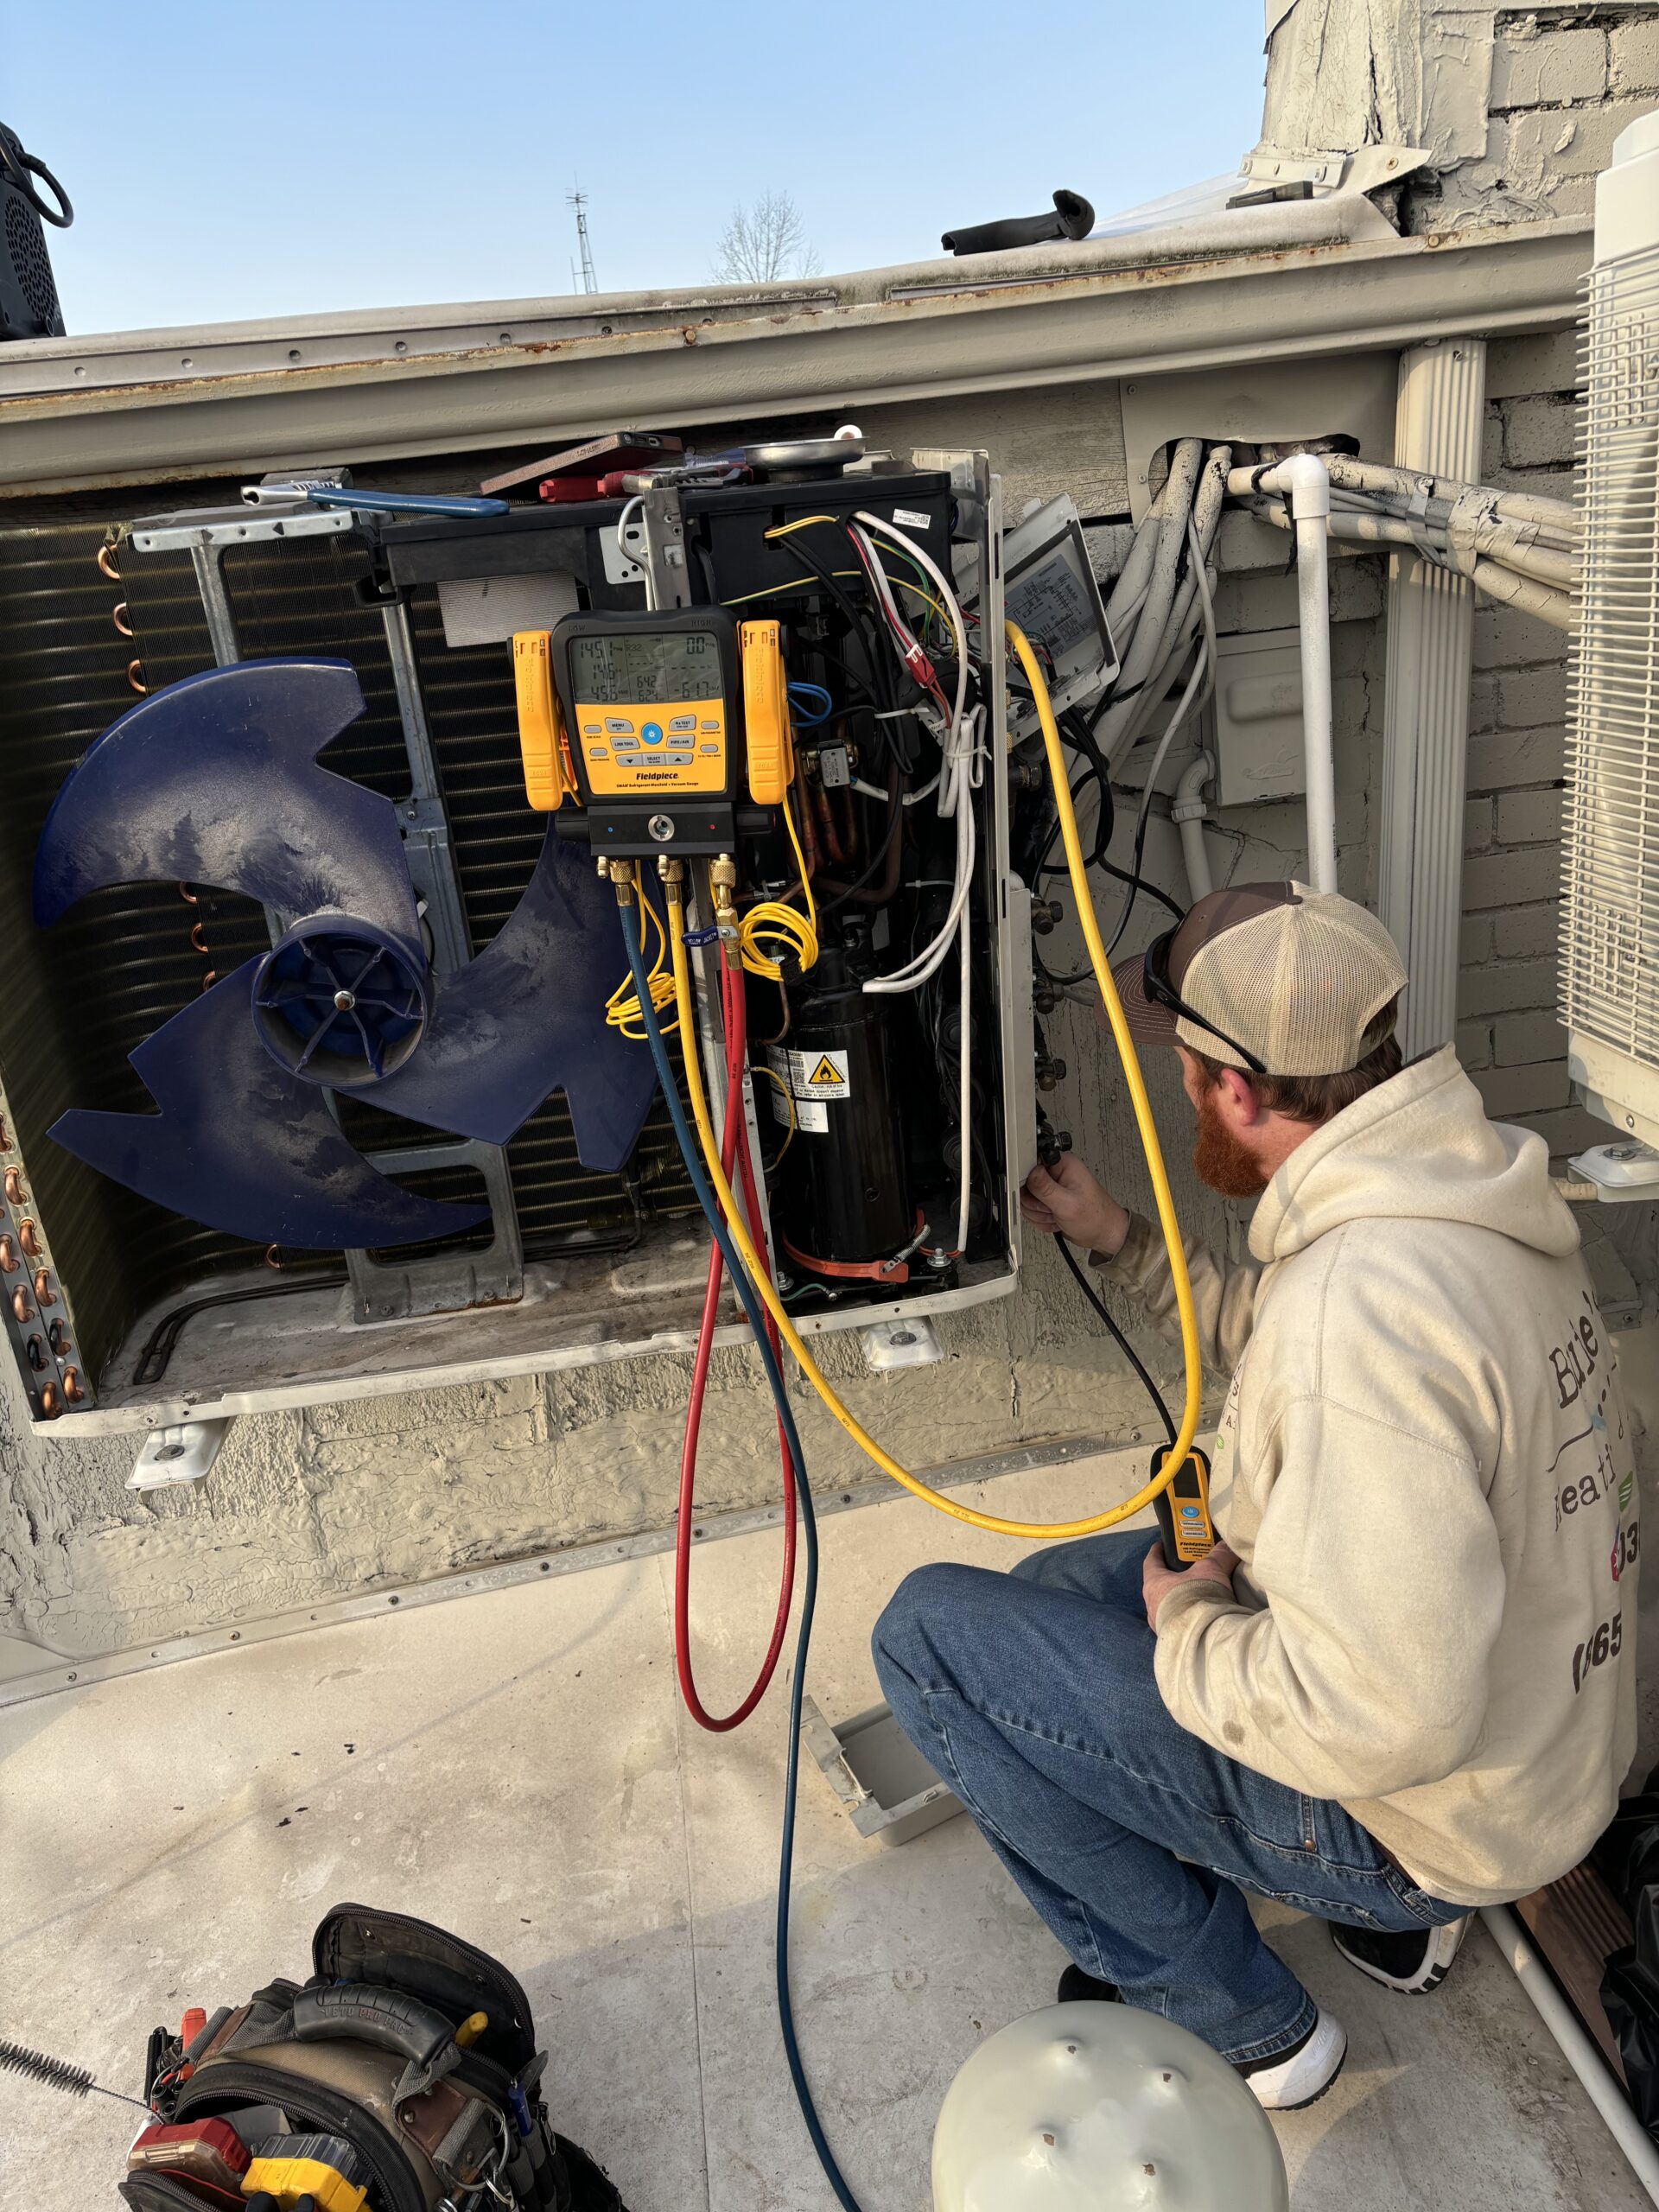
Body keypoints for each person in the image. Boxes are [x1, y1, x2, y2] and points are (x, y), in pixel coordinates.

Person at [874, 881, 1638, 2111]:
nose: (1187, 1102)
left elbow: (1388, 1717)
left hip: (1420, 1818)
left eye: (1184, 1077)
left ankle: (1251, 2023)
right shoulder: (1458, 1195)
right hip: (1532, 1746)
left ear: (1233, 1088)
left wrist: (1189, 1624)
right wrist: (1121, 1237)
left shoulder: (1360, 1323)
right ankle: (1373, 1932)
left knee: (927, 1641)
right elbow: (1296, 1342)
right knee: (1039, 1599)